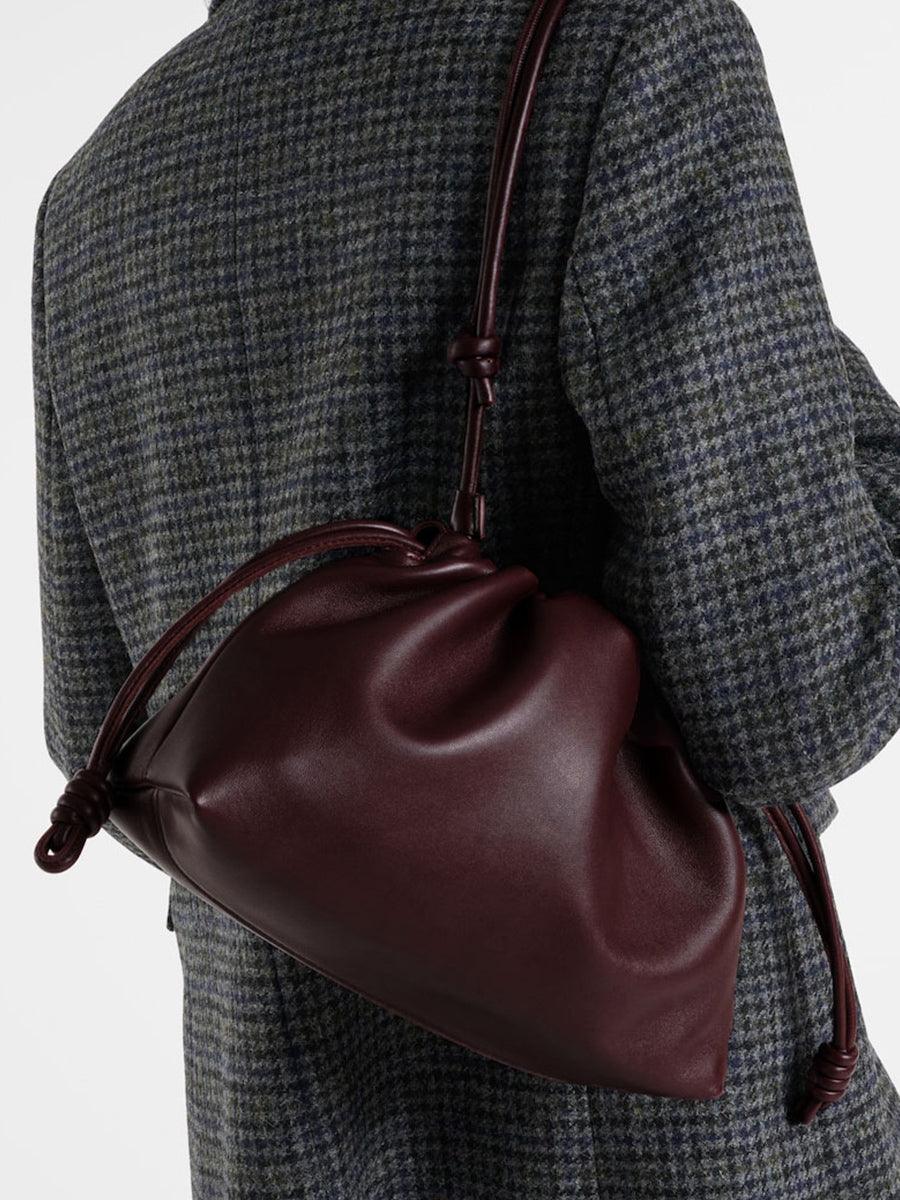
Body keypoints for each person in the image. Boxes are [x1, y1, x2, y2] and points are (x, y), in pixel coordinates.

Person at [33, 0, 900, 1196]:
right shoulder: (633, 44)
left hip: (278, 1121)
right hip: (663, 1129)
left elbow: (98, 723)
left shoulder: (95, 188)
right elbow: (794, 695)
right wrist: (809, 385)